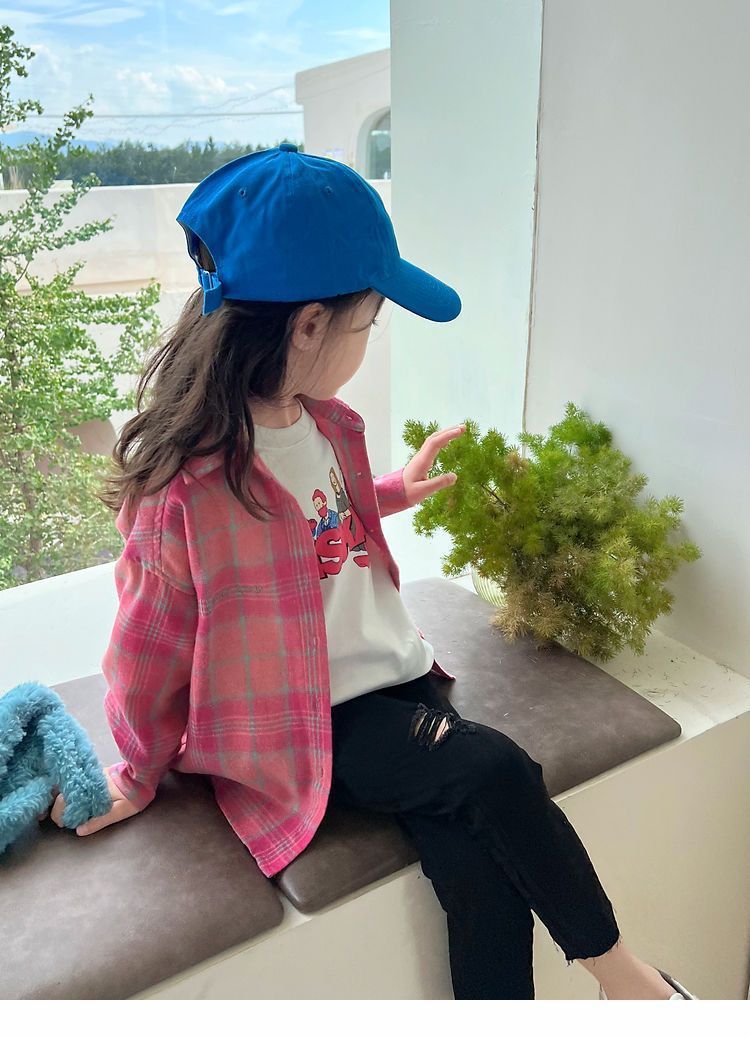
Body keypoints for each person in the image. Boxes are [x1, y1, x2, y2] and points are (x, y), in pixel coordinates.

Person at [42, 144, 696, 1001]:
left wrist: (388, 492)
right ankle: (636, 987)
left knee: (478, 870)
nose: (371, 335)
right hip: (312, 718)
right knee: (497, 770)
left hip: (400, 675)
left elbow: (311, 525)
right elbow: (147, 644)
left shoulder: (327, 423)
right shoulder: (189, 490)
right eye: (371, 318)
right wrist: (134, 772)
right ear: (309, 324)